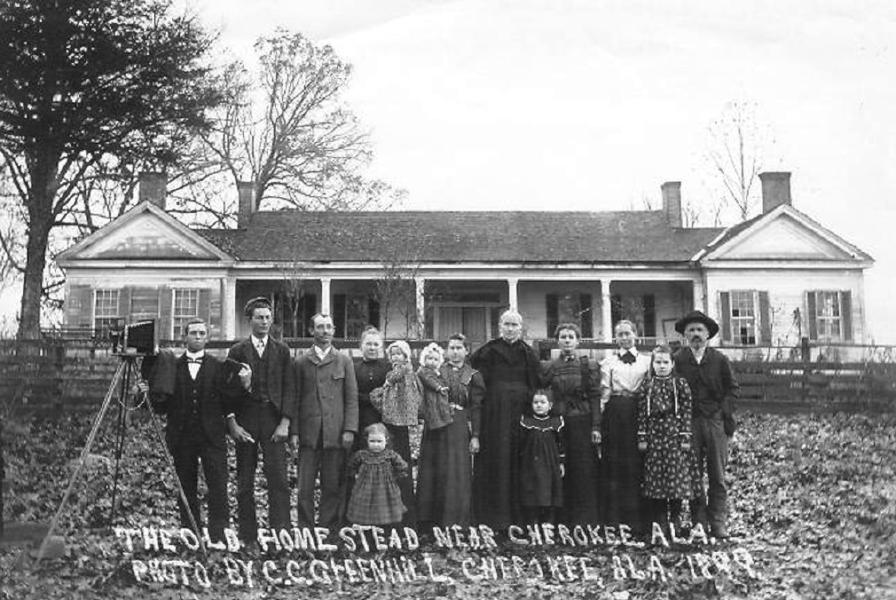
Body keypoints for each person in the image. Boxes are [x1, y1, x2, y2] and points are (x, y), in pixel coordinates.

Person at [141, 318, 239, 543]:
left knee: (218, 486)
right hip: (182, 436)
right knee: (186, 487)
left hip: (212, 436)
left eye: (201, 333)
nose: (197, 337)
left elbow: (229, 401)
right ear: (185, 336)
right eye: (193, 333)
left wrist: (244, 384)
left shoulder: (218, 366)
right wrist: (146, 393)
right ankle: (191, 535)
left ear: (207, 337)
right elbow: (162, 406)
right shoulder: (172, 366)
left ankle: (219, 536)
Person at [226, 297, 295, 545]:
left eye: (267, 317)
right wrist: (233, 423)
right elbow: (227, 392)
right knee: (245, 482)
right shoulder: (237, 351)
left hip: (272, 418)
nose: (264, 322)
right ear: (250, 320)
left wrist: (286, 422)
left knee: (278, 479)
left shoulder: (282, 350)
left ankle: (281, 536)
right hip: (246, 419)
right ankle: (248, 537)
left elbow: (290, 388)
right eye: (259, 317)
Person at [470, 309, 541, 528]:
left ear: (521, 328)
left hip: (521, 414)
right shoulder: (488, 351)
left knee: (520, 462)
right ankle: (493, 518)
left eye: (514, 325)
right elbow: (478, 385)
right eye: (506, 324)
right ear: (499, 326)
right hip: (494, 415)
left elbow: (534, 384)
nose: (510, 329)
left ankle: (519, 518)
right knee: (496, 461)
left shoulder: (528, 353)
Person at [673, 310, 739, 539]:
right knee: (693, 474)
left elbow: (732, 389)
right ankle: (698, 520)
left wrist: (723, 413)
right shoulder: (678, 359)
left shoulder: (719, 360)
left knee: (717, 474)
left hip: (714, 422)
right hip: (688, 422)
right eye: (691, 330)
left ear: (708, 334)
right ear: (685, 335)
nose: (695, 334)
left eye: (700, 330)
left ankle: (718, 521)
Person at [293, 313, 359, 530]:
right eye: (320, 327)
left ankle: (328, 529)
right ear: (312, 331)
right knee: (305, 487)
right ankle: (306, 528)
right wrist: (294, 432)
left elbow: (351, 398)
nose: (325, 332)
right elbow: (294, 399)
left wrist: (349, 429)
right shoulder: (302, 361)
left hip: (335, 432)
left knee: (332, 485)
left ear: (334, 330)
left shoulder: (344, 361)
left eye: (329, 327)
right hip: (309, 433)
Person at [416, 334, 484, 527]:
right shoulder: (436, 370)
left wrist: (476, 436)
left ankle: (456, 520)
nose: (455, 352)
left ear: (466, 351)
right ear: (446, 351)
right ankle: (430, 520)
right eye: (452, 348)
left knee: (456, 472)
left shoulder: (473, 375)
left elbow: (476, 407)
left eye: (459, 348)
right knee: (434, 469)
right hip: (436, 423)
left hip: (459, 425)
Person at [541, 322, 601, 525]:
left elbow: (594, 397)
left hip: (582, 422)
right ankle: (561, 520)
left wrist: (595, 426)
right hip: (558, 423)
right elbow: (544, 393)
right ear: (557, 341)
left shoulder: (587, 365)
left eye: (571, 336)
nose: (567, 340)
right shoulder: (549, 366)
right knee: (559, 467)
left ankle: (584, 520)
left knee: (583, 469)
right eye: (563, 337)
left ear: (577, 341)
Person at [637, 345, 699, 531]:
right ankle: (661, 522)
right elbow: (641, 413)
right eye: (658, 362)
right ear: (652, 364)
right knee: (656, 479)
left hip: (674, 435)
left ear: (672, 364)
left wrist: (685, 435)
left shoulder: (679, 384)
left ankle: (676, 520)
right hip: (655, 436)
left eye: (665, 362)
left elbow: (687, 410)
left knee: (676, 478)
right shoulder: (647, 385)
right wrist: (642, 436)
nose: (662, 366)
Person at [599, 319, 651, 533]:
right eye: (620, 334)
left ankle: (637, 520)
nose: (624, 337)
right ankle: (614, 519)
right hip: (615, 412)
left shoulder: (647, 361)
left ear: (635, 335)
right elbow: (604, 392)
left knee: (636, 463)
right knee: (615, 463)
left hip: (637, 410)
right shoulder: (608, 362)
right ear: (615, 338)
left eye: (627, 333)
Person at [370, 340, 420, 526]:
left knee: (400, 456)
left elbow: (394, 378)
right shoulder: (394, 370)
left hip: (400, 418)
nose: (396, 357)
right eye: (393, 354)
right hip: (391, 417)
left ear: (406, 355)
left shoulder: (404, 370)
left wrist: (387, 382)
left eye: (399, 353)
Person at [345, 423, 409, 527]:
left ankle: (384, 527)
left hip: (385, 487)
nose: (376, 444)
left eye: (379, 441)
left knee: (384, 506)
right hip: (365, 487)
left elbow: (402, 466)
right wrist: (355, 475)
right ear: (367, 440)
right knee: (365, 506)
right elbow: (351, 465)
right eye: (372, 441)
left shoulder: (390, 455)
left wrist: (395, 477)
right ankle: (367, 528)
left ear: (386, 440)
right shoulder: (362, 455)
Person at [518, 390, 565, 525]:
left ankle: (548, 524)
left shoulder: (556, 422)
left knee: (549, 492)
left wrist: (561, 462)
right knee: (532, 492)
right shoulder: (526, 422)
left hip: (550, 464)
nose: (539, 405)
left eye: (543, 402)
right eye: (536, 402)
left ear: (550, 405)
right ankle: (533, 523)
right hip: (531, 465)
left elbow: (561, 444)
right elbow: (521, 444)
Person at [352, 327, 391, 452]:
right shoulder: (354, 368)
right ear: (361, 346)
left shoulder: (387, 368)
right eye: (368, 344)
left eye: (376, 344)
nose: (372, 348)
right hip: (360, 418)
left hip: (383, 418)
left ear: (381, 347)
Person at [416, 342, 453, 431]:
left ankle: (444, 420)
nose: (433, 361)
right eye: (430, 358)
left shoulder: (436, 371)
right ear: (424, 359)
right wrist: (438, 387)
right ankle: (436, 425)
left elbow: (441, 380)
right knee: (433, 410)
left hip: (437, 395)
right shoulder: (423, 370)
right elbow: (429, 380)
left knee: (442, 406)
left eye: (436, 360)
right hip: (429, 395)